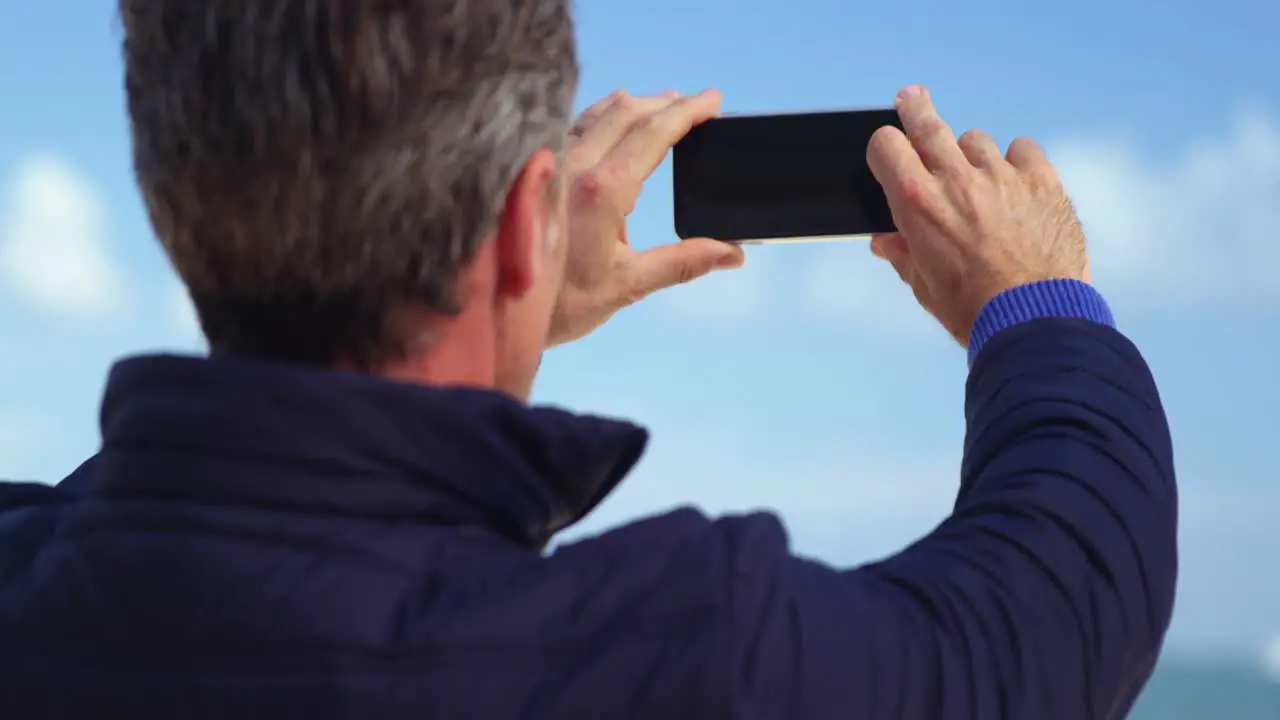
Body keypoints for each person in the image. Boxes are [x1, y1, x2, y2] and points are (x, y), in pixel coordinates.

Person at [0, 2, 1176, 718]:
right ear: (526, 228)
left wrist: (490, 302)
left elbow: (200, 541)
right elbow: (1047, 620)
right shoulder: (682, 662)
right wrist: (1036, 302)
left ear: (169, 202)